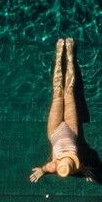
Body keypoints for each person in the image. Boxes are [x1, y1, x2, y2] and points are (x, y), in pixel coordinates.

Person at [31, 38, 83, 181]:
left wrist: (41, 171)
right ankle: (70, 55)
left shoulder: (54, 166)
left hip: (54, 131)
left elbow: (43, 169)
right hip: (72, 129)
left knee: (58, 94)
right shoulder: (75, 167)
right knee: (69, 91)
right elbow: (82, 167)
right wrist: (87, 172)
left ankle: (60, 54)